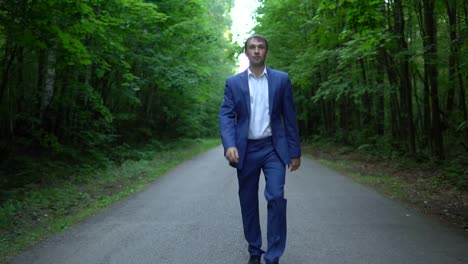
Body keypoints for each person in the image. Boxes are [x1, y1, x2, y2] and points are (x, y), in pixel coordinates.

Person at [219, 34, 301, 264]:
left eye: (261, 47)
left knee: (276, 196)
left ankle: (273, 256)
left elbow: (290, 118)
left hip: (273, 148)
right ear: (246, 52)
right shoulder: (233, 83)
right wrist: (230, 144)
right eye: (252, 47)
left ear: (266, 52)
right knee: (248, 201)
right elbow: (225, 115)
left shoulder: (281, 80)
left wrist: (295, 152)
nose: (256, 51)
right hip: (245, 150)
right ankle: (255, 250)